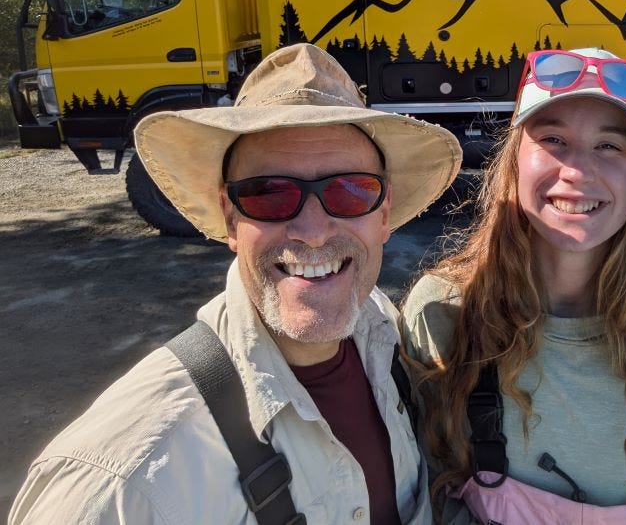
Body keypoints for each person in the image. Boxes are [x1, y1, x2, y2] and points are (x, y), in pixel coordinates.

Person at [9, 43, 462, 524]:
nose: (313, 230)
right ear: (229, 217)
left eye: (350, 191)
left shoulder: (387, 336)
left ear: (384, 212)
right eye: (268, 194)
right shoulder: (124, 481)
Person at [401, 48, 626, 524]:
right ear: (514, 163)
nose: (577, 171)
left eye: (609, 146)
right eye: (553, 139)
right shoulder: (444, 316)